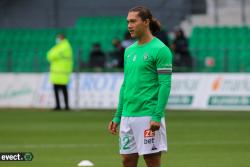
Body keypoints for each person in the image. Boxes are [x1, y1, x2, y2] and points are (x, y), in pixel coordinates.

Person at [108, 6, 172, 167]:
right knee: (127, 160)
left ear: (146, 22)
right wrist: (118, 115)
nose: (129, 25)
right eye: (128, 22)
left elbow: (165, 84)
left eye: (133, 21)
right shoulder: (128, 51)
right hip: (127, 115)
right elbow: (125, 85)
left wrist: (157, 115)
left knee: (151, 162)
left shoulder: (161, 50)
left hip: (147, 115)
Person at [47, 33, 73, 111]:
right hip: (56, 72)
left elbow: (52, 55)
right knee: (57, 90)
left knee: (63, 89)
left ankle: (66, 106)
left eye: (58, 38)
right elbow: (49, 55)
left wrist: (52, 55)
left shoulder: (65, 46)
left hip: (62, 72)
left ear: (62, 38)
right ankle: (58, 105)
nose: (57, 39)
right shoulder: (60, 46)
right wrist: (52, 55)